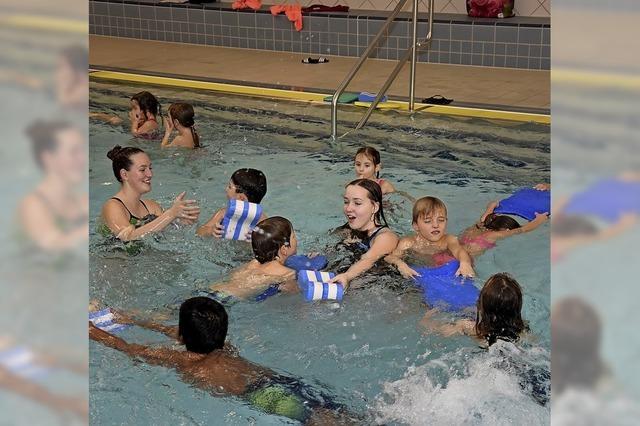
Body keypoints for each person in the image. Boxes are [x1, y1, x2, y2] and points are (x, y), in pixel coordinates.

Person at [89, 297, 357, 424]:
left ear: (182, 336)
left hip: (264, 396)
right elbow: (177, 332)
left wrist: (90, 330)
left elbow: (125, 346)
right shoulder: (225, 346)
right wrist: (133, 319)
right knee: (347, 417)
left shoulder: (184, 362)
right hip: (282, 381)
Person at [100, 146, 200, 241]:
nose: (150, 174)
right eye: (142, 170)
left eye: (150, 168)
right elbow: (126, 237)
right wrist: (170, 214)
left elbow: (169, 236)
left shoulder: (152, 207)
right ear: (124, 174)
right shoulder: (113, 207)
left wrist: (183, 223)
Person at [19, 120, 88, 252]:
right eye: (74, 152)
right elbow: (51, 247)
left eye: (82, 151)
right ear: (48, 158)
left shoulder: (80, 201)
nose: (83, 159)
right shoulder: (33, 205)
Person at [328, 179, 399, 290]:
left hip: (377, 285)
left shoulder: (386, 237)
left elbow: (368, 259)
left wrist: (347, 276)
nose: (348, 208)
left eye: (357, 203)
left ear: (374, 207)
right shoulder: (346, 230)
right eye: (346, 202)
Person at [421, 273, 528, 345]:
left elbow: (439, 331)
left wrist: (426, 319)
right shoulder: (522, 331)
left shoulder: (473, 328)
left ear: (481, 305)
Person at [385, 196, 475, 278]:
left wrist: (465, 263)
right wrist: (401, 264)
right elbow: (390, 257)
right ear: (416, 226)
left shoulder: (448, 240)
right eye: (428, 221)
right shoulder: (408, 243)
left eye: (441, 220)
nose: (436, 225)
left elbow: (459, 251)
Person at [210, 217, 299, 299]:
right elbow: (296, 291)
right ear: (284, 249)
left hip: (211, 290)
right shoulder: (288, 273)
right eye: (294, 237)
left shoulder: (254, 262)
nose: (297, 240)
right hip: (225, 299)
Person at [197, 168, 268, 237]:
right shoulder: (223, 214)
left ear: (241, 198)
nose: (226, 189)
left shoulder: (262, 222)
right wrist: (211, 230)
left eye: (230, 187)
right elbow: (199, 232)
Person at [459, 208, 548, 258]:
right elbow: (522, 230)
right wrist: (540, 220)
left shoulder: (480, 225)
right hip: (463, 259)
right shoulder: (494, 235)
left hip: (455, 252)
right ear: (506, 230)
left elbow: (485, 215)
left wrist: (493, 205)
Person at [90, 91, 161, 138]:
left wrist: (134, 122)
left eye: (134, 108)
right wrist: (96, 115)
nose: (132, 111)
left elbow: (135, 134)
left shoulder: (150, 123)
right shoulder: (143, 122)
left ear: (146, 109)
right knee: (117, 121)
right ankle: (95, 115)